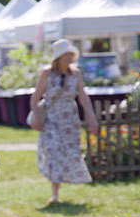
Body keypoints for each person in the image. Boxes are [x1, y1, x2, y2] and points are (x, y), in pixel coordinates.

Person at [31, 39, 99, 204]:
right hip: (51, 118)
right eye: (65, 55)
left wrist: (91, 117)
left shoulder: (75, 74)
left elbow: (83, 96)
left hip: (70, 120)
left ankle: (61, 185)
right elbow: (35, 96)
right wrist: (36, 116)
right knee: (53, 151)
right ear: (58, 57)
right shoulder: (47, 73)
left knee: (68, 152)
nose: (69, 58)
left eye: (70, 55)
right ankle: (55, 193)